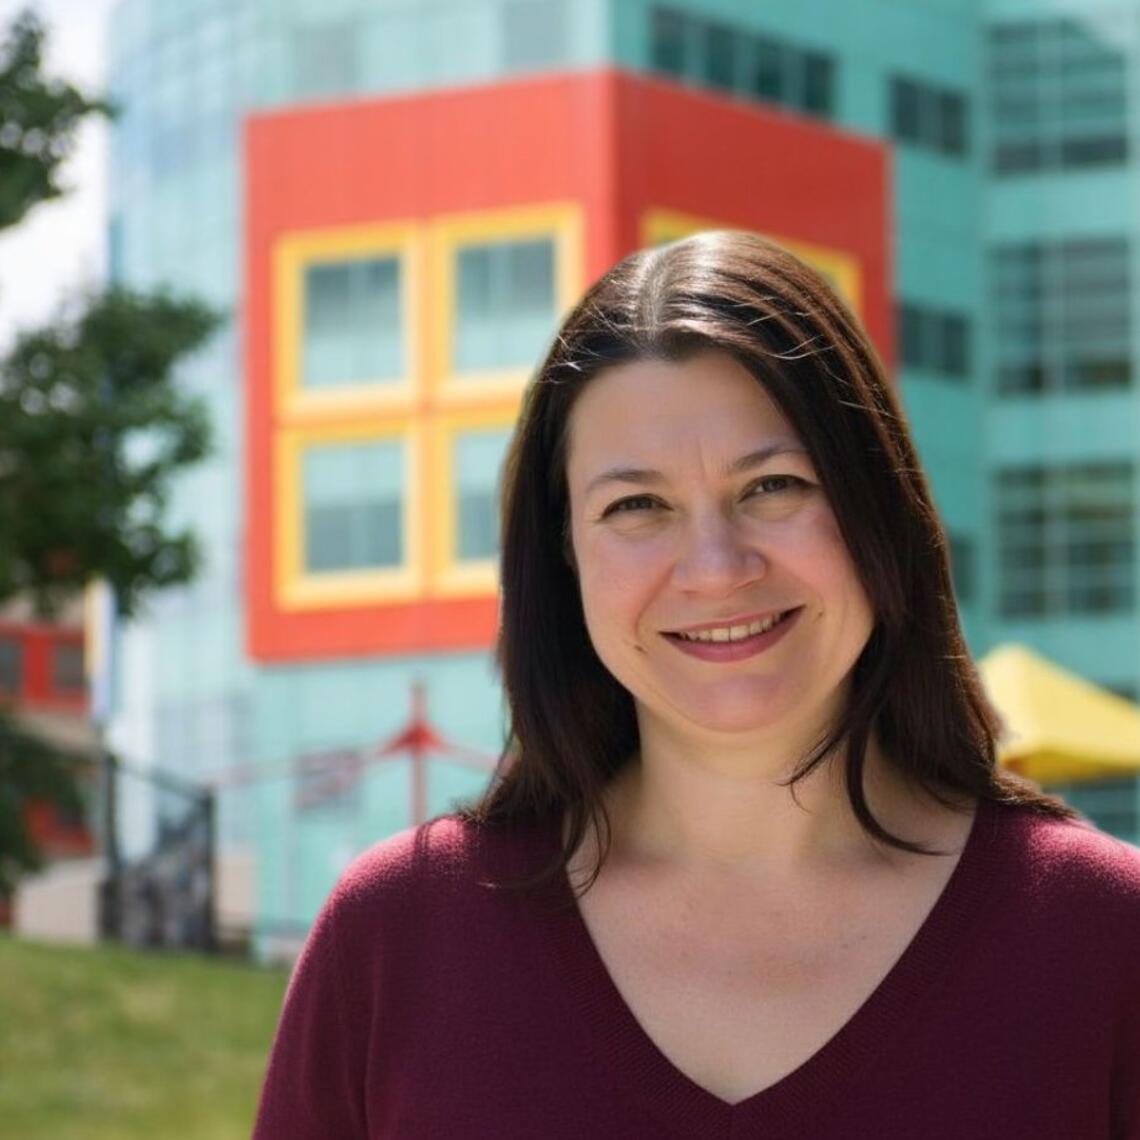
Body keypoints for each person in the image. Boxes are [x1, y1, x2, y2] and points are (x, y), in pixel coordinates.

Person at [252, 231, 1140, 1139]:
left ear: (877, 505)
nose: (716, 568)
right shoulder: (396, 938)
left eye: (774, 487)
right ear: (564, 555)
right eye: (637, 506)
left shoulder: (1105, 939)